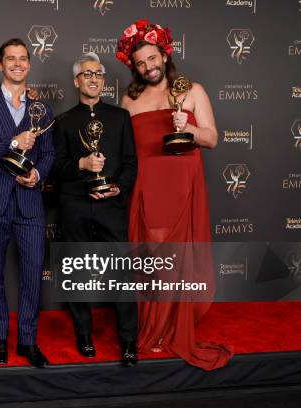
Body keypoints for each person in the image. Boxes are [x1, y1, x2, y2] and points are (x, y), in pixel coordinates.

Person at [117, 19, 232, 370]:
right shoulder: (128, 99)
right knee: (151, 261)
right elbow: (125, 151)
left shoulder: (192, 90)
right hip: (145, 187)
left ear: (165, 55)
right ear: (133, 67)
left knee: (178, 261)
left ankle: (171, 331)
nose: (149, 67)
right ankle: (152, 327)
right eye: (141, 63)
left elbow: (212, 138)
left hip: (182, 186)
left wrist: (190, 128)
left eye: (153, 58)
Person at [0, 38, 55, 368]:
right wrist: (11, 142)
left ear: (29, 65)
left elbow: (49, 154)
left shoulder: (40, 108)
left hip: (29, 202)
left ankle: (28, 340)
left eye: (23, 59)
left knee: (32, 274)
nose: (17, 64)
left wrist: (38, 175)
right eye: (10, 59)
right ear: (0, 65)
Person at [53, 52, 138, 366]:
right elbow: (56, 168)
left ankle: (129, 339)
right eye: (87, 74)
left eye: (98, 74)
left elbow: (130, 163)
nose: (93, 79)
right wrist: (81, 163)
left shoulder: (119, 118)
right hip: (75, 204)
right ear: (77, 81)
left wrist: (118, 188)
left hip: (110, 206)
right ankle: (84, 333)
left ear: (103, 80)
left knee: (122, 274)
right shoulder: (62, 122)